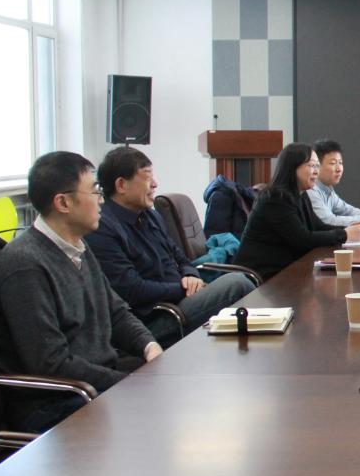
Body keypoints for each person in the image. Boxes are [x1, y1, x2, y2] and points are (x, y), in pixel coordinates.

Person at [0, 152, 162, 432]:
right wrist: (127, 383)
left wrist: (150, 347)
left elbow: (116, 312)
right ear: (63, 202)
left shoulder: (78, 247)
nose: (101, 200)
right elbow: (51, 363)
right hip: (58, 401)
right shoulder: (24, 265)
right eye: (94, 191)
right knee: (159, 416)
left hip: (96, 385)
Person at [86, 147, 255, 347]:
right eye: (147, 177)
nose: (155, 183)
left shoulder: (151, 215)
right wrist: (182, 289)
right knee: (236, 284)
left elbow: (179, 256)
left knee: (238, 284)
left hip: (178, 299)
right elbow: (132, 289)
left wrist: (190, 274)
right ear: (121, 185)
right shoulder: (103, 227)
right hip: (155, 318)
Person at [236, 143, 360, 280]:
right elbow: (303, 240)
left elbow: (317, 226)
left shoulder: (301, 194)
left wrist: (349, 230)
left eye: (317, 166)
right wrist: (344, 234)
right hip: (261, 277)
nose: (316, 171)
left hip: (287, 271)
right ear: (292, 168)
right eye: (311, 165)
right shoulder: (275, 198)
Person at [308, 139, 360, 227]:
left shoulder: (328, 190)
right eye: (333, 163)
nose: (339, 169)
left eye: (340, 163)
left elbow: (347, 210)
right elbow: (328, 221)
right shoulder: (311, 190)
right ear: (317, 166)